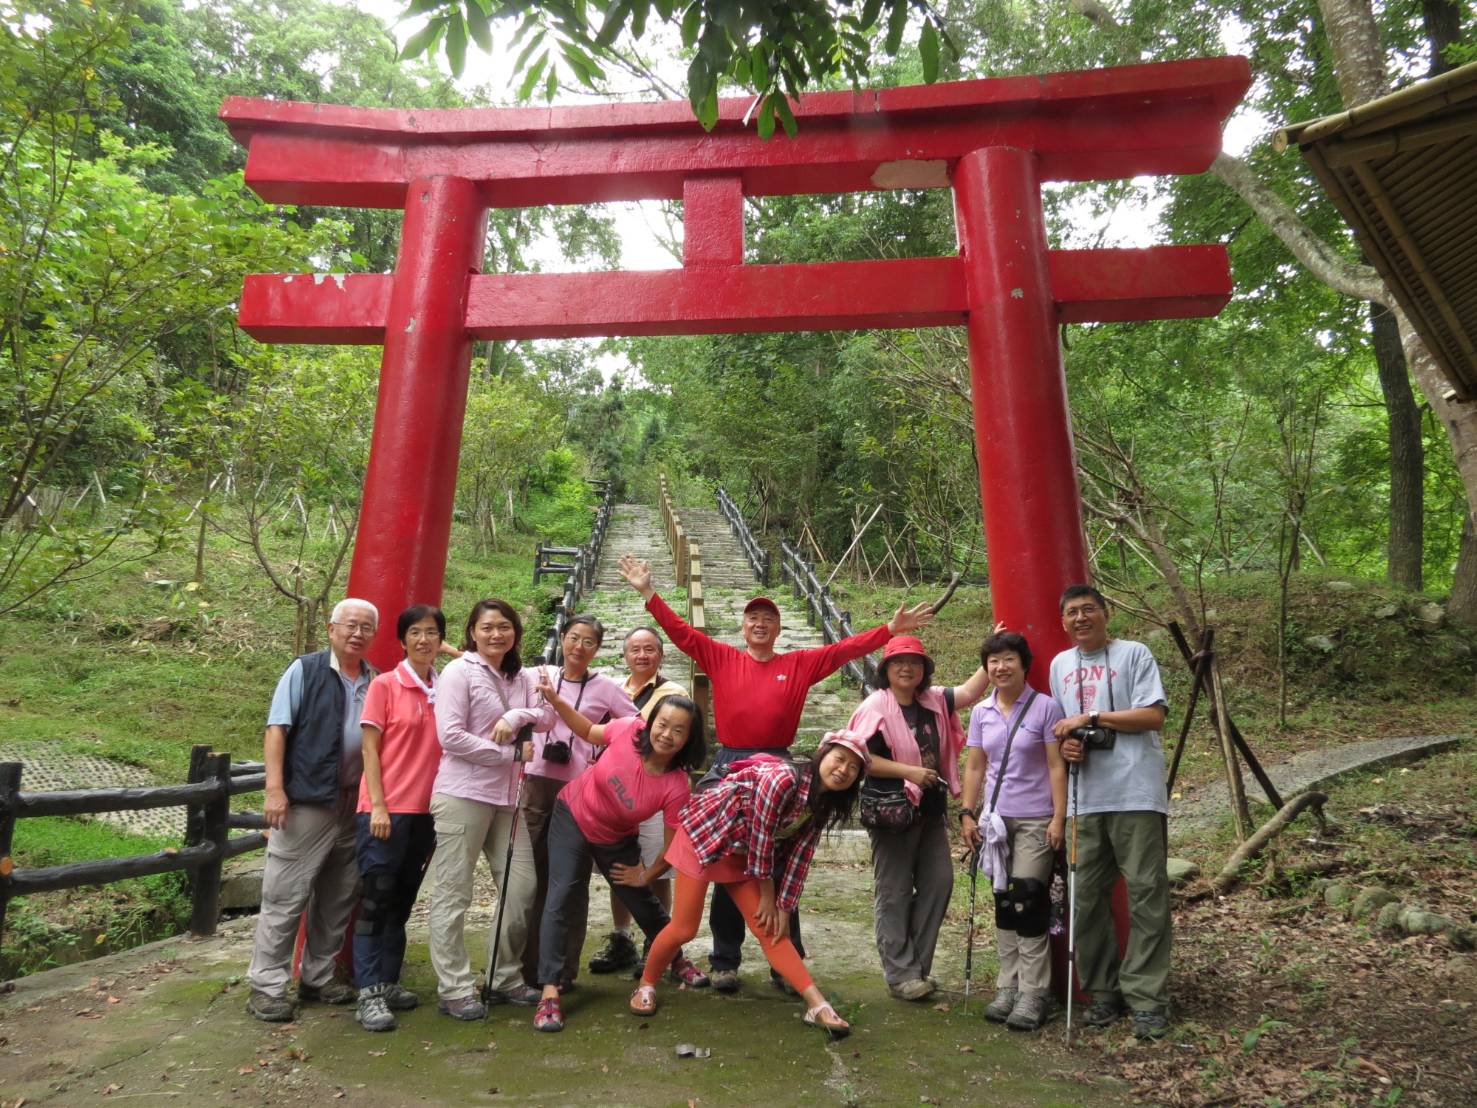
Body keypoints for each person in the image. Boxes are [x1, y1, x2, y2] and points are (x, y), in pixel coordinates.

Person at [617, 552, 935, 994]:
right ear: (744, 627)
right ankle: (725, 960)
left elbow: (843, 650)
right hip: (730, 764)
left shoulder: (799, 664)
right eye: (753, 618)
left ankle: (786, 961)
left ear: (778, 628)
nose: (760, 623)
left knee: (781, 867)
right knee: (727, 864)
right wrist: (648, 592)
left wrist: (889, 632)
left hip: (782, 767)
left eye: (768, 617)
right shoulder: (723, 657)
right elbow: (682, 634)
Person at [635, 734, 871, 1038]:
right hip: (705, 836)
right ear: (822, 754)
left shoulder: (822, 804)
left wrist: (785, 906)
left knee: (771, 929)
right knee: (684, 928)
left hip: (741, 853)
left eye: (853, 768)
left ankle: (817, 1006)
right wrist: (769, 895)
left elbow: (801, 857)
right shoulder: (784, 777)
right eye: (839, 759)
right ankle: (646, 983)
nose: (843, 770)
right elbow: (762, 833)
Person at [529, 680, 709, 1032]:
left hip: (615, 838)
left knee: (641, 900)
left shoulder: (675, 786)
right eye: (662, 724)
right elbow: (585, 729)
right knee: (561, 892)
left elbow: (674, 846)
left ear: (689, 738)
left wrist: (647, 873)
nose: (667, 734)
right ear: (650, 721)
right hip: (574, 816)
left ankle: (674, 958)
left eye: (678, 730)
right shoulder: (628, 729)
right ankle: (549, 991)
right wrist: (554, 699)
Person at [245, 598, 379, 1023]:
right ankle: (266, 986)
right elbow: (276, 728)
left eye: (366, 628)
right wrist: (273, 788)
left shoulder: (375, 680)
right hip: (306, 799)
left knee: (338, 894)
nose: (357, 633)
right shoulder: (305, 670)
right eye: (350, 625)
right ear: (331, 628)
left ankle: (317, 976)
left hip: (352, 802)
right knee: (285, 894)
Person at [1048, 584, 1171, 1040]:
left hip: (1135, 791)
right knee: (1085, 898)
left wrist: (1093, 717)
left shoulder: (1134, 654)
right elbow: (1062, 730)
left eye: (1088, 610)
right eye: (1071, 613)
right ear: (1063, 622)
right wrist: (1070, 742)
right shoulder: (1060, 665)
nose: (1080, 618)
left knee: (1146, 894)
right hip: (1086, 797)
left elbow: (1153, 716)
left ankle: (1148, 998)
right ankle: (1103, 991)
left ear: (1106, 612)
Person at [427, 599, 553, 1019]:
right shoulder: (458, 672)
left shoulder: (522, 677)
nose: (496, 634)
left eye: (504, 626)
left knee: (522, 888)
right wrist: (509, 756)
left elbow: (548, 716)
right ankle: (455, 986)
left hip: (507, 800)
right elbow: (450, 736)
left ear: (515, 631)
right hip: (463, 794)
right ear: (472, 632)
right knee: (454, 892)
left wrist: (518, 714)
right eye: (487, 627)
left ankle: (503, 976)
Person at [847, 634, 989, 1002]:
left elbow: (971, 692)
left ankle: (917, 968)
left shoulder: (933, 700)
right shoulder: (876, 706)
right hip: (891, 812)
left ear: (924, 669)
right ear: (886, 670)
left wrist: (992, 648)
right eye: (898, 662)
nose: (906, 667)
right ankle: (901, 974)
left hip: (929, 810)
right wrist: (908, 772)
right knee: (893, 892)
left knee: (939, 883)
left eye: (914, 662)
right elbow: (856, 755)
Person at [520, 615, 641, 991]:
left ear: (597, 649)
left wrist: (604, 759)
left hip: (579, 792)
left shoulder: (605, 688)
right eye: (574, 638)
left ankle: (562, 971)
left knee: (569, 882)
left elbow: (637, 729)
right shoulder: (536, 675)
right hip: (536, 785)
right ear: (562, 637)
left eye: (589, 642)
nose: (579, 647)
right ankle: (524, 970)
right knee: (530, 880)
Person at [960, 630, 1067, 1031]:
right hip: (995, 822)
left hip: (1036, 818)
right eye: (993, 661)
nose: (1000, 667)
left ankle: (1034, 993)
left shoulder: (1045, 708)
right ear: (986, 669)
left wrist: (1058, 818)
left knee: (1028, 900)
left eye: (1008, 659)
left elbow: (1057, 767)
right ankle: (1008, 985)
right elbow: (975, 767)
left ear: (1024, 664)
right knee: (1004, 903)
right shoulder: (981, 712)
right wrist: (968, 814)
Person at [352, 604, 446, 1033]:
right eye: (415, 632)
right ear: (402, 639)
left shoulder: (445, 687)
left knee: (403, 900)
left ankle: (388, 981)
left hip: (428, 813)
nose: (424, 640)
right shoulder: (385, 685)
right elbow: (369, 749)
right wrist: (378, 805)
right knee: (376, 900)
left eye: (431, 632)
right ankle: (368, 991)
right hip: (386, 811)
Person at [586, 626, 692, 979]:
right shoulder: (616, 689)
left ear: (661, 655)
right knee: (622, 868)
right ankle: (622, 937)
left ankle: (659, 940)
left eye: (650, 649)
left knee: (656, 868)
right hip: (616, 793)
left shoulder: (672, 693)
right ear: (625, 655)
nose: (642, 655)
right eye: (635, 649)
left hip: (655, 792)